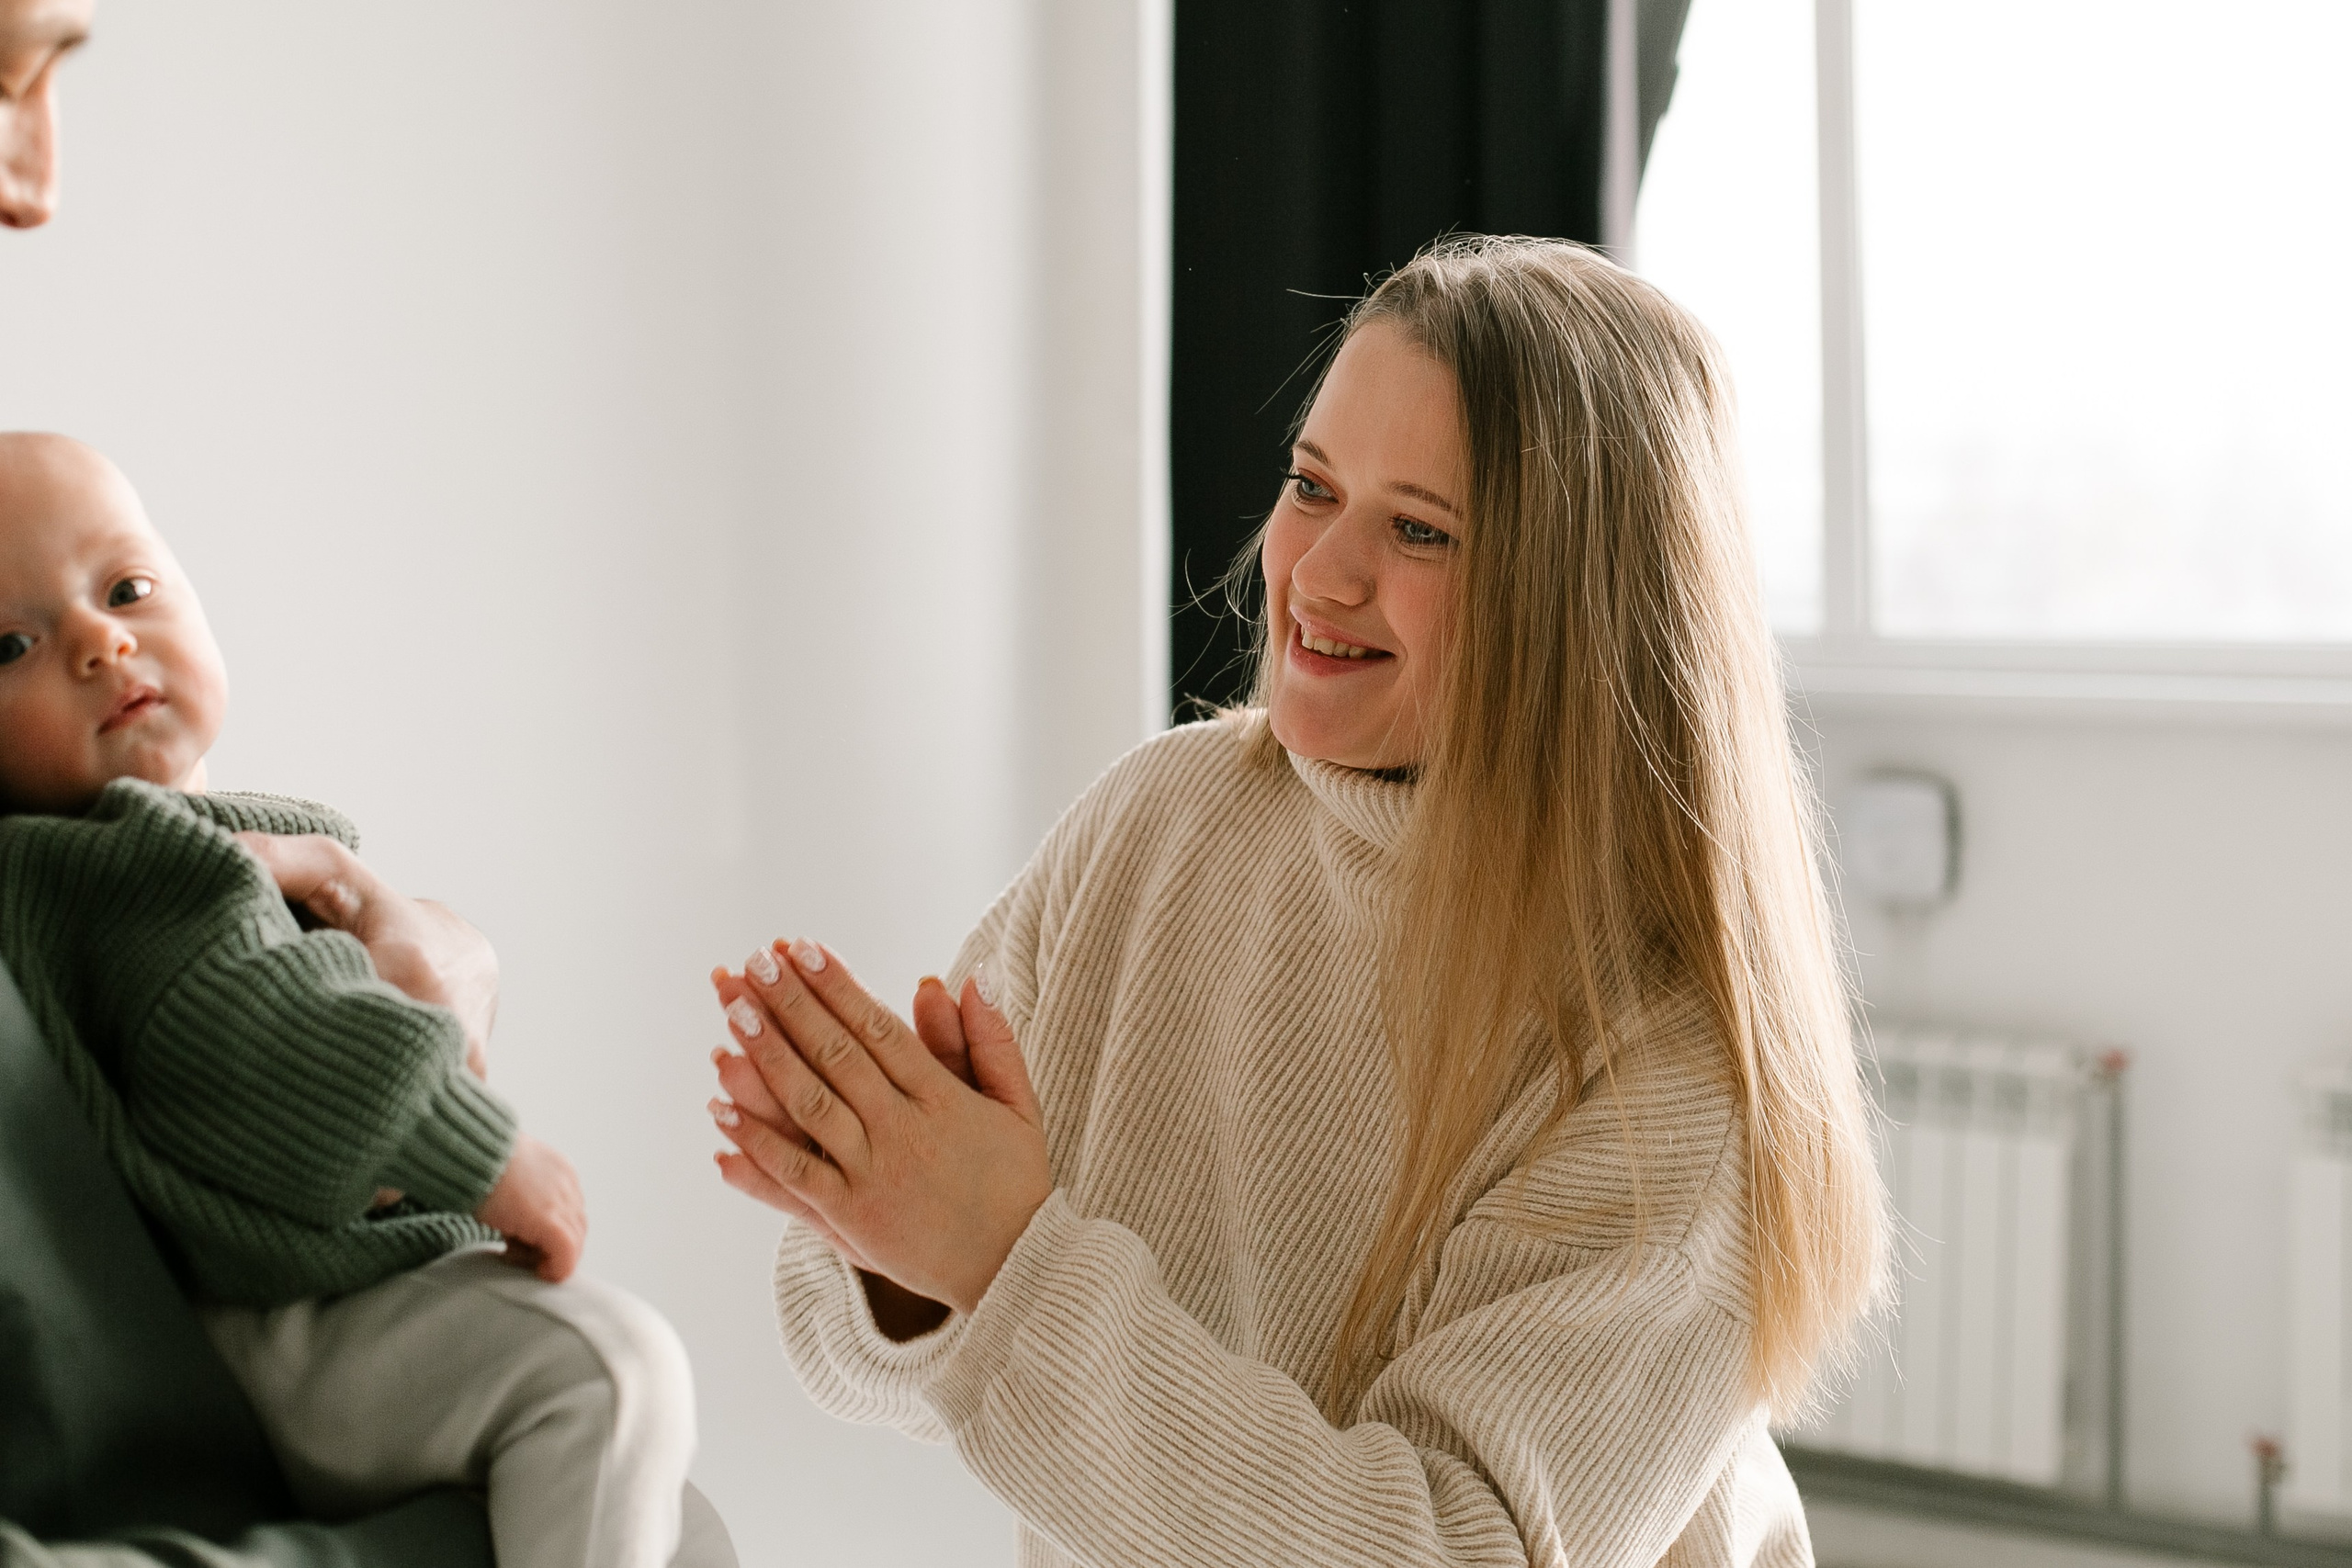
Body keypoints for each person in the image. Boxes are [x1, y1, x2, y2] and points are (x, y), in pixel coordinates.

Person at [704, 235, 1889, 1566]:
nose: (1320, 572)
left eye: (1420, 529)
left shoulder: (1670, 1056)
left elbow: (1454, 1547)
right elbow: (860, 1343)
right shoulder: (1158, 821)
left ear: (1579, 606)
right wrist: (893, 1223)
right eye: (1311, 485)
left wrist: (1000, 1259)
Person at [0, 432, 696, 1568]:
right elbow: (257, 1025)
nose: (98, 640)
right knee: (610, 1373)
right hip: (278, 1323)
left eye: (126, 587)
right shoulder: (133, 860)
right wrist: (476, 1149)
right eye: (11, 645)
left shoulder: (130, 859)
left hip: (281, 1306)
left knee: (661, 1509)